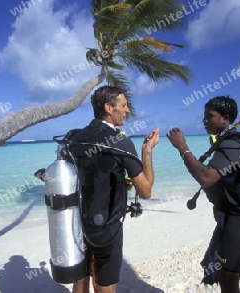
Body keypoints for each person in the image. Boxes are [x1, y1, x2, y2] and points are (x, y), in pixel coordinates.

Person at [166, 96, 240, 293]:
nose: (204, 120)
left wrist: (182, 147)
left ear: (225, 119)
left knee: (227, 276)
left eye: (210, 116)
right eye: (204, 115)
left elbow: (207, 177)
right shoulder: (231, 141)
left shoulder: (233, 143)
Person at [69, 85, 159, 293]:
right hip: (107, 228)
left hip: (75, 222)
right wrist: (147, 151)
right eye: (124, 105)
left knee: (81, 276)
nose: (127, 110)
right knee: (105, 283)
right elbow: (146, 192)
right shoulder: (120, 141)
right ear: (109, 108)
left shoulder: (75, 138)